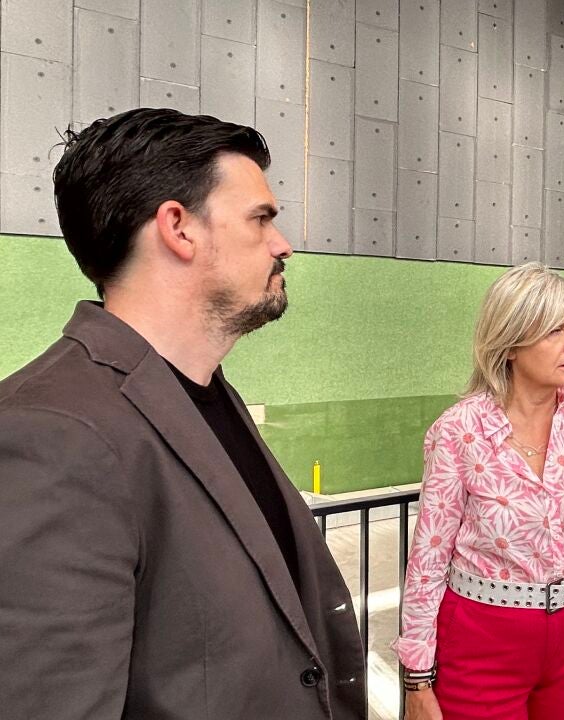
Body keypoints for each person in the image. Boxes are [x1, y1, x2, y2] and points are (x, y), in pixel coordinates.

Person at [0, 108, 366, 719]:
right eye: (261, 218)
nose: (283, 244)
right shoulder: (51, 434)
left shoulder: (202, 393)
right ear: (178, 228)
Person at [394, 262, 564, 720]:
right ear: (511, 342)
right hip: (482, 641)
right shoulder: (458, 431)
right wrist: (417, 680)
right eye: (556, 330)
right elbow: (429, 558)